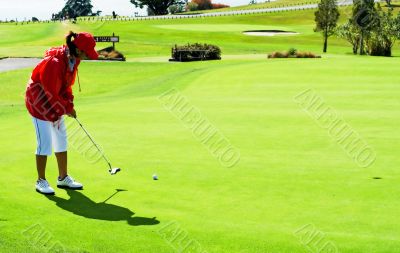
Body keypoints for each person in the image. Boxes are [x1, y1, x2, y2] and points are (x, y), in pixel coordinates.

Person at [25, 31, 98, 195]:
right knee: (45, 143)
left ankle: (63, 177)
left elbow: (65, 86)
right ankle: (41, 181)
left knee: (61, 139)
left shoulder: (73, 60)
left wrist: (69, 103)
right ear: (79, 49)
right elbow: (50, 91)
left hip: (53, 101)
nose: (88, 57)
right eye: (87, 53)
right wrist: (66, 108)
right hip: (38, 102)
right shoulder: (55, 63)